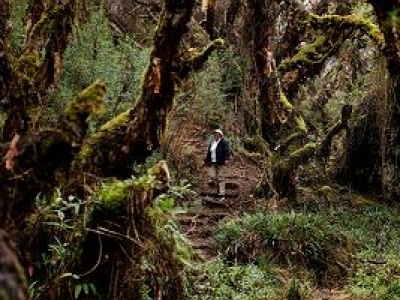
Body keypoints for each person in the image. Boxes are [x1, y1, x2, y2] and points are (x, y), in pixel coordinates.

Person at [204, 129, 231, 199]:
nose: (215, 135)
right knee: (213, 176)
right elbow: (209, 153)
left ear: (220, 135)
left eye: (217, 133)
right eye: (214, 134)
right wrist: (206, 161)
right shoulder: (212, 143)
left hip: (220, 162)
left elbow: (226, 151)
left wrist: (227, 159)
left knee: (221, 177)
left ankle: (221, 194)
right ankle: (218, 191)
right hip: (212, 162)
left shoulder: (223, 142)